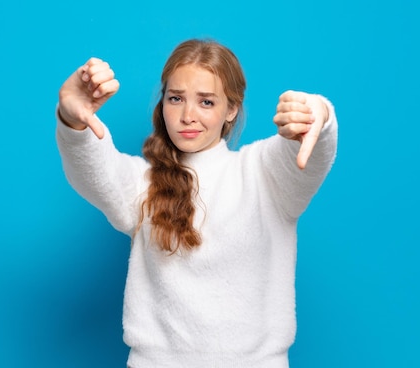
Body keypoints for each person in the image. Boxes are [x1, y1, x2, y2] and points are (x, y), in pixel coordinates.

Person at [56, 38, 338, 368]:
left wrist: (318, 116)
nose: (188, 115)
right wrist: (70, 117)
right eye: (176, 99)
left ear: (231, 109)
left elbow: (305, 154)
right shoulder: (143, 183)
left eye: (206, 102)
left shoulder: (262, 173)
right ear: (163, 103)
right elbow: (93, 168)